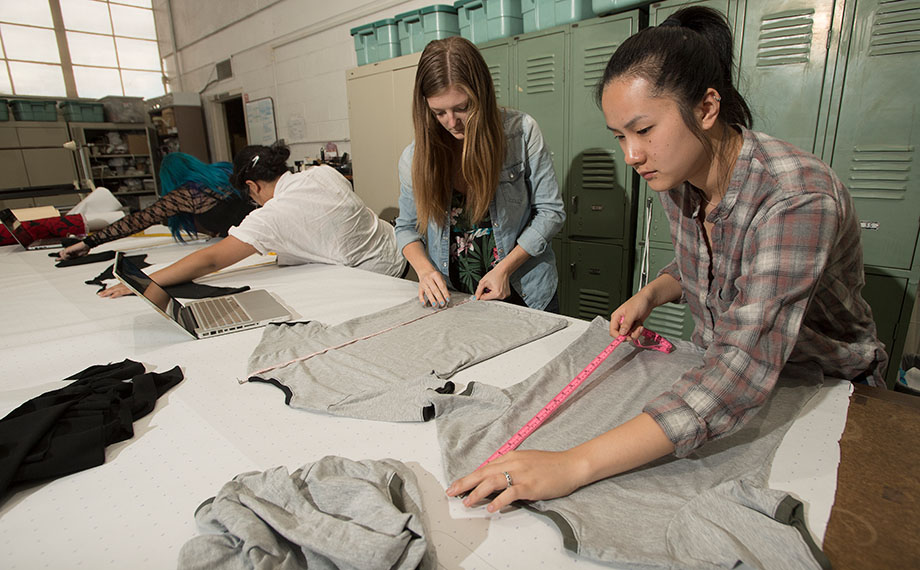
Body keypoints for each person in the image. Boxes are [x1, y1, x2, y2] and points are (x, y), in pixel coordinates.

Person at [447, 7, 887, 512]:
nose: (631, 156)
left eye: (644, 129)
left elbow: (741, 368)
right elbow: (713, 262)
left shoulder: (796, 199)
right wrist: (652, 292)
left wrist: (573, 464)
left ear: (706, 108)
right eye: (619, 136)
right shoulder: (679, 176)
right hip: (727, 371)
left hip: (826, 391)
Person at [99, 141, 405, 298]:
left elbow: (211, 260)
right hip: (404, 254)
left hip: (382, 281)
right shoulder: (324, 172)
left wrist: (143, 281)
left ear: (251, 186)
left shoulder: (271, 216)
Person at [395, 36, 565, 312]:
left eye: (462, 108)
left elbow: (550, 212)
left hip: (525, 288)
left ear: (482, 94)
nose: (452, 122)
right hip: (455, 297)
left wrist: (505, 269)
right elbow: (405, 227)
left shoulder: (521, 133)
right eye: (439, 112)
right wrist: (425, 271)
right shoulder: (415, 157)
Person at [58, 152, 254, 259]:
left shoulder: (183, 196)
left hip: (245, 244)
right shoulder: (224, 170)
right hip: (259, 236)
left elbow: (137, 221)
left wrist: (88, 243)